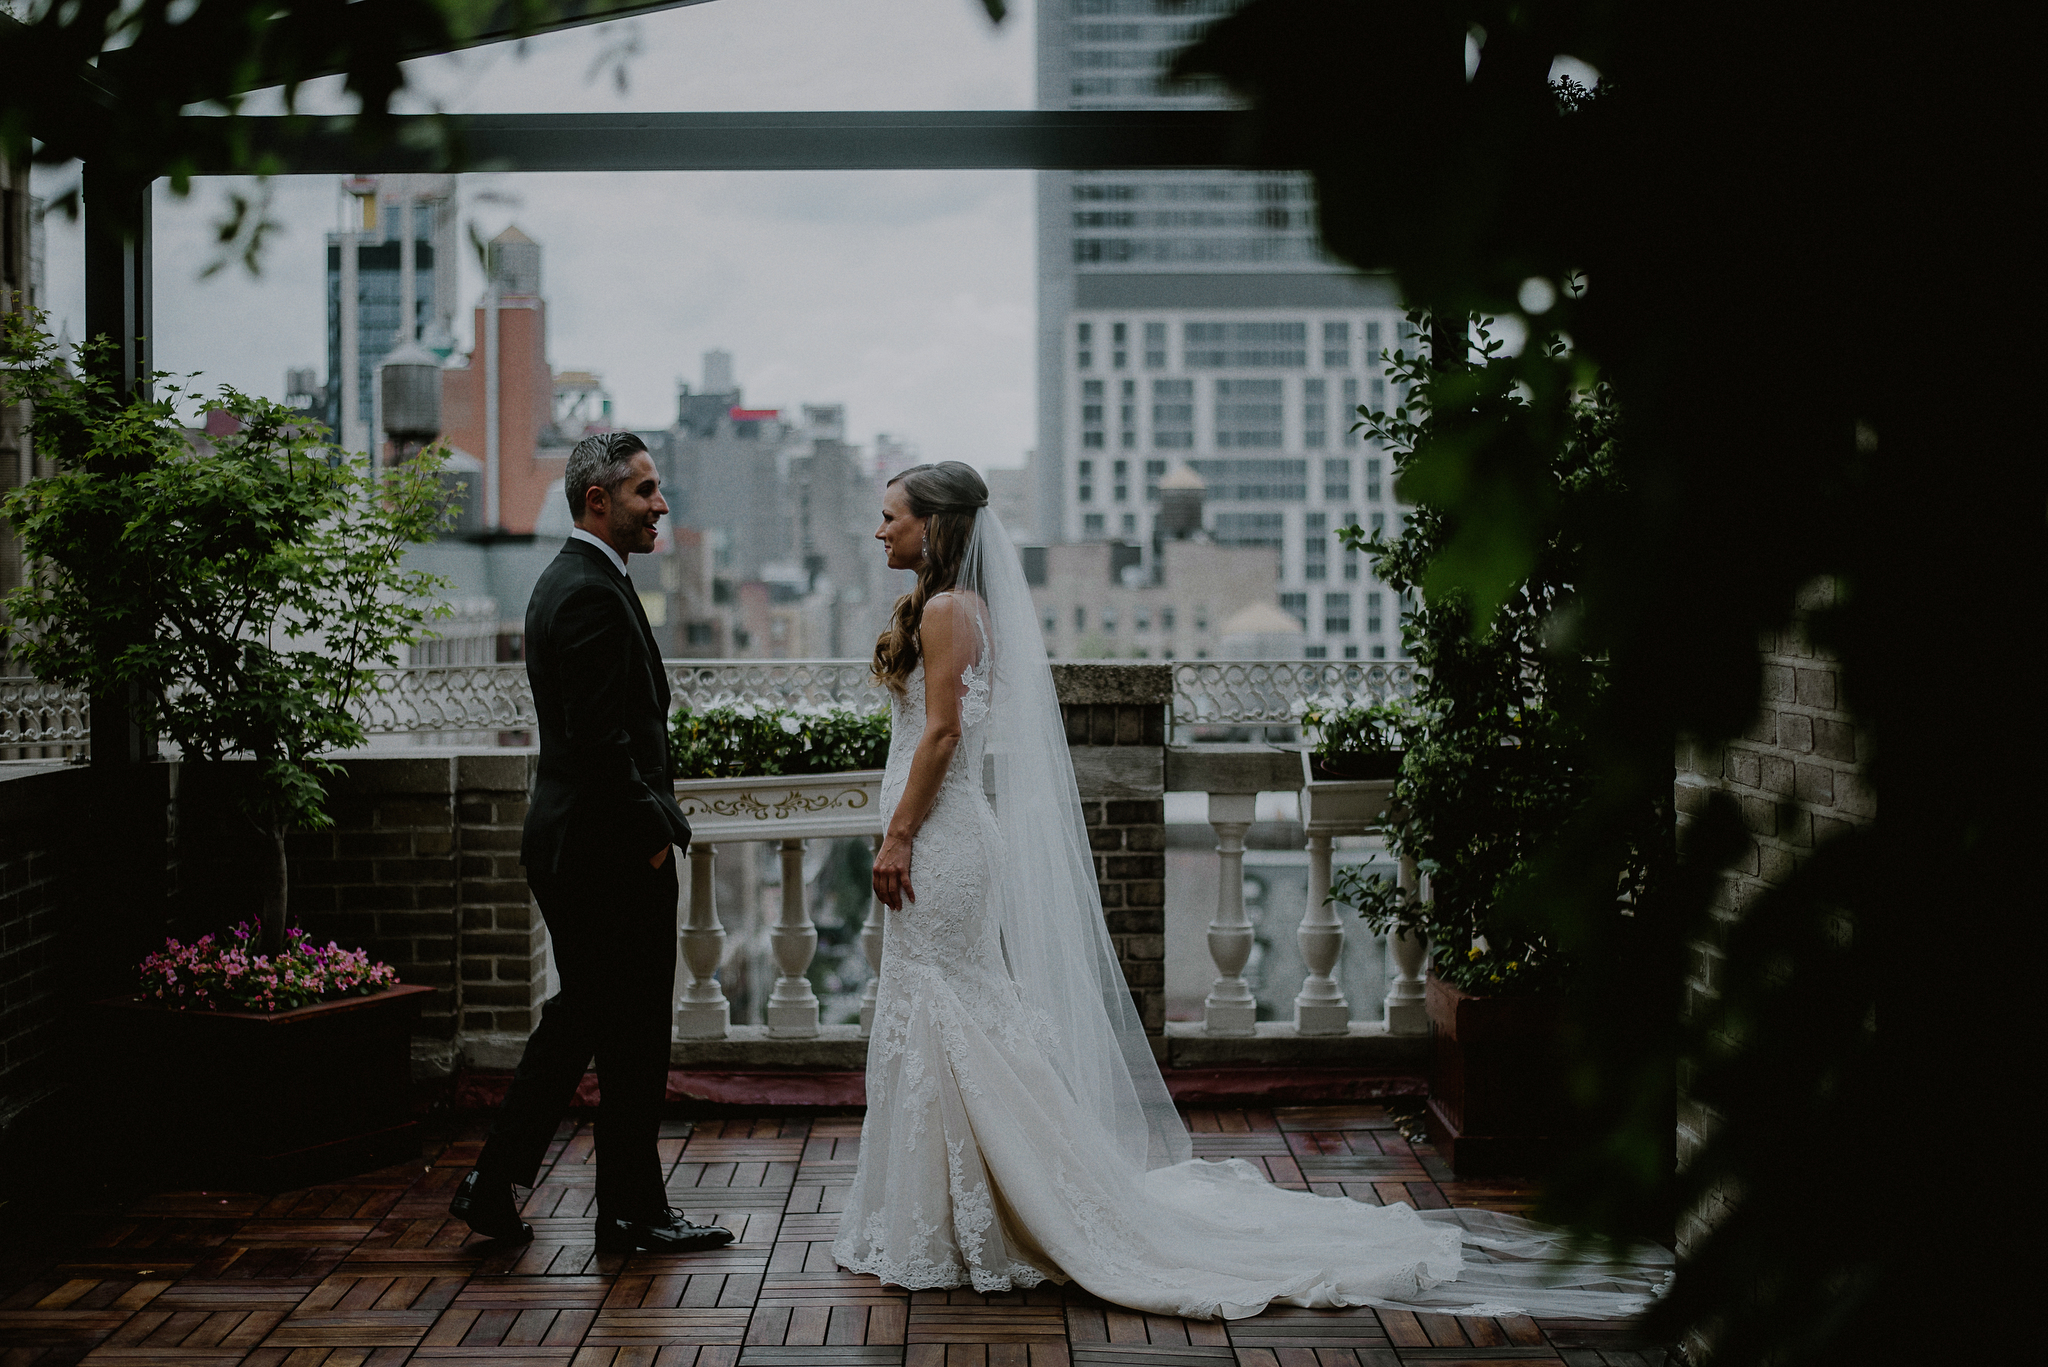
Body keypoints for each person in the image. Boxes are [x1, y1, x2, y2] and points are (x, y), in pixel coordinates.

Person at [832, 461, 1668, 1319]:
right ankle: (968, 1206)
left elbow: (938, 735)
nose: (879, 530)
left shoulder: (944, 612)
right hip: (951, 832)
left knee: (950, 1012)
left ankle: (997, 1208)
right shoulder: (966, 607)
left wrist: (899, 833)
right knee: (957, 1012)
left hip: (939, 837)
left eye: (891, 516)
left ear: (934, 526)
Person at [449, 432, 733, 1255]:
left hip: (588, 842)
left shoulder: (584, 580)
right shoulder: (585, 592)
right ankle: (620, 1209)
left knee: (592, 1022)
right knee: (628, 1031)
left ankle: (513, 1186)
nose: (662, 505)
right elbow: (601, 742)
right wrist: (656, 834)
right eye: (646, 490)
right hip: (605, 849)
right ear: (598, 500)